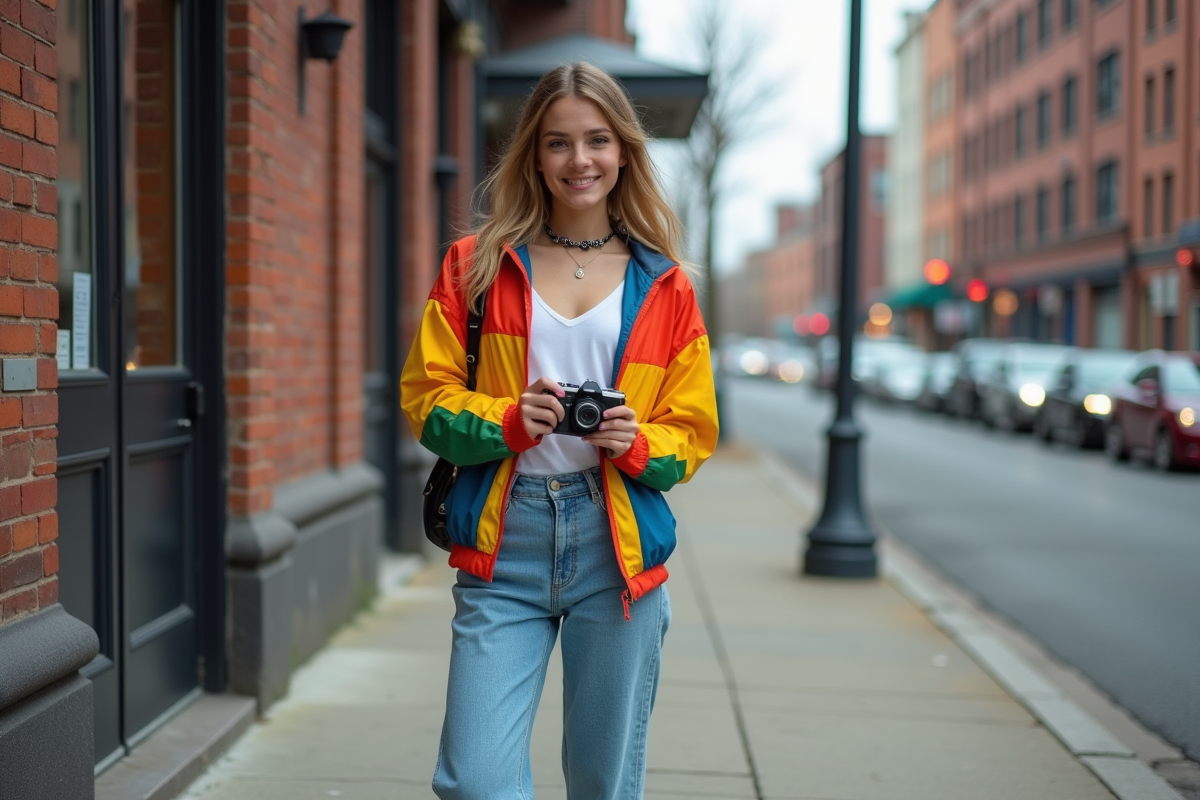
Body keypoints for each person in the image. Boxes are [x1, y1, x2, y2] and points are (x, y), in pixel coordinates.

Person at [400, 61, 718, 800]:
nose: (580, 161)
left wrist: (637, 442)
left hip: (618, 551)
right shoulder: (474, 267)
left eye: (598, 140)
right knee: (475, 781)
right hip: (502, 543)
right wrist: (508, 420)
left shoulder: (666, 284)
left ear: (624, 152)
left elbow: (693, 433)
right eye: (558, 143)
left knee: (602, 786)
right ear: (534, 157)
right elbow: (426, 399)